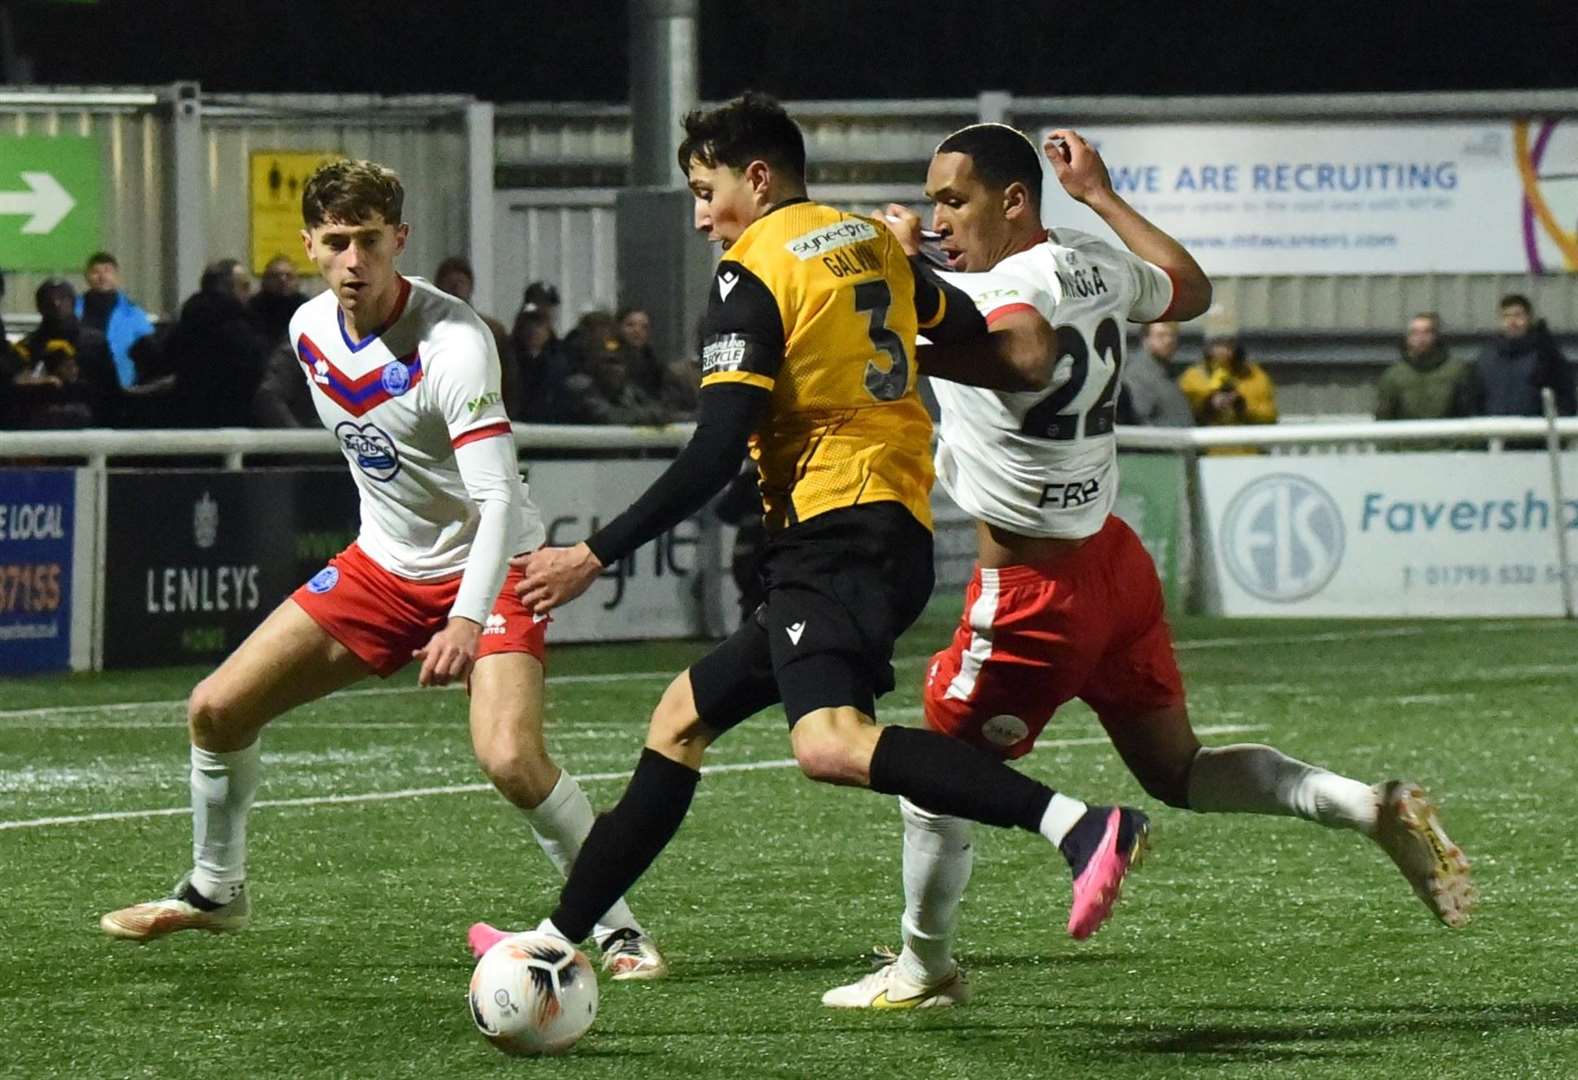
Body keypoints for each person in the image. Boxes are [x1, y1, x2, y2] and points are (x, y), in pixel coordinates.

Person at [470, 92, 1145, 968]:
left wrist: (593, 553)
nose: (703, 215)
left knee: (828, 744)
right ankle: (559, 940)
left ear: (758, 177)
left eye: (707, 189)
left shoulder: (753, 271)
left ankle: (1079, 826)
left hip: (834, 534)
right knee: (678, 719)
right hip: (885, 526)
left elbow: (714, 447)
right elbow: (976, 328)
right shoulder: (868, 239)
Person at [820, 125, 1476, 1011]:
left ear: (1013, 200)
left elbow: (1021, 349)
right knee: (1179, 772)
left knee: (928, 778)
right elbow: (1190, 291)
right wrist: (1099, 195)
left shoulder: (1003, 287)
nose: (938, 218)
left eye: (953, 199)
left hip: (1032, 602)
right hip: (1113, 566)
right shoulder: (1089, 259)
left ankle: (924, 969)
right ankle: (1367, 805)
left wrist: (906, 280)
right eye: (932, 201)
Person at [98, 158, 667, 981]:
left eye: (370, 240)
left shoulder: (457, 344)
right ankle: (216, 890)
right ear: (310, 246)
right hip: (381, 567)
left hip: (492, 566)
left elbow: (498, 502)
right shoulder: (305, 331)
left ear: (399, 238)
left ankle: (618, 929)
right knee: (216, 710)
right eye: (337, 242)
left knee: (509, 759)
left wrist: (466, 618)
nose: (354, 260)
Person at [165, 259, 270, 427]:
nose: (249, 293)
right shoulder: (240, 328)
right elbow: (257, 370)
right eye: (244, 286)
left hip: (189, 417)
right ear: (226, 288)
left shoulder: (185, 321)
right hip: (234, 416)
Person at [1470, 294, 1575, 417]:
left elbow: (1565, 397)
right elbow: (1476, 399)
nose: (1512, 322)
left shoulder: (1547, 355)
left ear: (1529, 318)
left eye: (1518, 315)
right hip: (1493, 432)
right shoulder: (1486, 357)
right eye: (1506, 316)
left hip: (1535, 432)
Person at [1177, 334, 1278, 453]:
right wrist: (1208, 404)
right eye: (1217, 344)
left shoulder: (1255, 376)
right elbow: (1182, 415)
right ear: (1208, 347)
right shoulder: (1192, 377)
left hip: (1246, 454)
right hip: (1207, 455)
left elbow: (1270, 416)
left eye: (1228, 344)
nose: (1223, 350)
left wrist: (1243, 407)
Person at [1374, 312, 1475, 422]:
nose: (1420, 338)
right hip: (1407, 438)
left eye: (1426, 332)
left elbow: (1468, 414)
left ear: (1436, 336)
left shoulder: (1457, 371)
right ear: (1407, 338)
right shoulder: (1393, 376)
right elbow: (1383, 418)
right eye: (1414, 333)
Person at [78, 251, 156, 389]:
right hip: (80, 385)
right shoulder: (74, 310)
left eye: (107, 271)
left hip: (123, 386)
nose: (102, 277)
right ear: (87, 276)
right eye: (95, 272)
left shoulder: (133, 313)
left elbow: (150, 351)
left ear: (116, 276)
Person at [1119, 320, 1192, 427]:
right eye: (1161, 335)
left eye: (1172, 335)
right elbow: (1140, 421)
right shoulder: (1138, 374)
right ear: (1145, 339)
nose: (1168, 340)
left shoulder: (1167, 371)